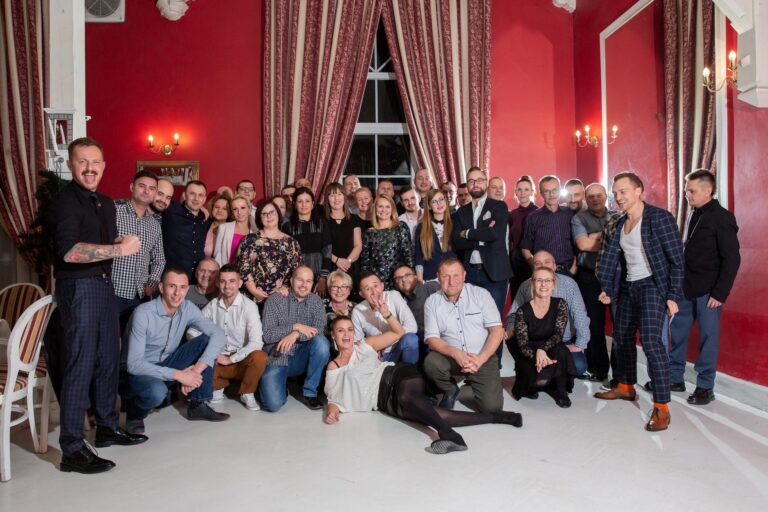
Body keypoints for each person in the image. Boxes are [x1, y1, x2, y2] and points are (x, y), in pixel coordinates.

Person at [50, 137, 146, 474]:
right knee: (80, 363)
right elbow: (70, 252)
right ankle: (72, 449)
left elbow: (99, 243)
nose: (90, 168)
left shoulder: (104, 201)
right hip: (78, 287)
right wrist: (119, 251)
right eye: (82, 162)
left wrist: (115, 243)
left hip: (105, 286)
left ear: (103, 166)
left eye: (95, 162)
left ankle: (106, 426)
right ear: (71, 165)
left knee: (108, 358)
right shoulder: (65, 202)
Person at [324, 316, 522, 454]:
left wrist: (385, 312)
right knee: (430, 414)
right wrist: (332, 411)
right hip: (384, 401)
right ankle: (500, 417)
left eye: (350, 329)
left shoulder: (365, 345)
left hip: (396, 376)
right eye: (340, 330)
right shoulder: (333, 367)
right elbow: (333, 398)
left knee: (407, 398)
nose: (346, 334)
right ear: (333, 335)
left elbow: (398, 331)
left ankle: (449, 435)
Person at [594, 172, 684, 432]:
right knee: (621, 337)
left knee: (652, 343)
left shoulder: (659, 218)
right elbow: (607, 259)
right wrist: (607, 288)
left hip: (653, 286)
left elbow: (677, 260)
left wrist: (672, 295)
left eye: (624, 191)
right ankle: (625, 386)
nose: (619, 197)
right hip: (628, 286)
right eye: (616, 192)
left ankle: (662, 407)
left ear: (639, 191)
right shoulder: (617, 222)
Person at [122, 267, 230, 435]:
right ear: (161, 288)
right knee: (157, 392)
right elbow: (134, 365)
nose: (177, 293)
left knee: (206, 340)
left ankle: (198, 405)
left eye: (182, 287)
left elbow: (218, 335)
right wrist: (179, 375)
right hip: (140, 371)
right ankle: (135, 414)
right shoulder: (143, 313)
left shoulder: (187, 308)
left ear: (187, 289)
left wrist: (195, 371)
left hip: (168, 363)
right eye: (172, 286)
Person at [669, 169, 740, 405]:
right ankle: (675, 378)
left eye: (691, 190)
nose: (687, 195)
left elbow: (732, 259)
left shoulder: (723, 217)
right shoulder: (693, 213)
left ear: (707, 190)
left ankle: (705, 387)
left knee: (708, 339)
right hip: (685, 287)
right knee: (677, 334)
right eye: (687, 190)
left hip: (710, 292)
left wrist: (720, 293)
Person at [423, 258, 505, 412]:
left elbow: (497, 331)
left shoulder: (481, 294)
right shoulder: (432, 302)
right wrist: (456, 353)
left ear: (464, 275)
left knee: (492, 408)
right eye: (446, 276)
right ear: (438, 277)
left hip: (482, 356)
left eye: (456, 275)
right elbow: (432, 340)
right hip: (453, 358)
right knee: (432, 363)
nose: (451, 281)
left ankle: (471, 384)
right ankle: (450, 389)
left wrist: (480, 359)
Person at [506, 250, 589, 377]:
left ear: (555, 266)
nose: (543, 265)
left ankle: (543, 370)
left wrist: (580, 344)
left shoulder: (569, 284)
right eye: (537, 263)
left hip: (560, 342)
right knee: (513, 342)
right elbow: (513, 315)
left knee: (579, 366)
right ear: (533, 268)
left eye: (547, 262)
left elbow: (580, 315)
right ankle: (536, 368)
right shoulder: (525, 285)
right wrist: (511, 331)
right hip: (532, 342)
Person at [259, 266, 330, 411]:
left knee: (322, 343)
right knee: (272, 405)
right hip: (278, 355)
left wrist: (296, 333)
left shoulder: (316, 301)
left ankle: (310, 392)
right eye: (300, 280)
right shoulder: (275, 300)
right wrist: (295, 326)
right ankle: (279, 385)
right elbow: (268, 335)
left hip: (301, 357)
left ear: (313, 284)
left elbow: (319, 330)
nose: (304, 285)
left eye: (308, 281)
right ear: (291, 280)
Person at [202, 264, 268, 411]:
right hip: (218, 358)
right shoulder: (212, 305)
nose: (227, 286)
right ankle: (218, 387)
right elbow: (193, 330)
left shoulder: (249, 306)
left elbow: (256, 342)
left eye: (232, 281)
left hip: (241, 359)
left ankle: (247, 392)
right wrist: (212, 351)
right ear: (218, 283)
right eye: (223, 281)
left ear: (239, 283)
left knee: (259, 357)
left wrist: (231, 359)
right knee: (200, 354)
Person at [572, 183, 618, 381]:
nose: (595, 199)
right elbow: (583, 244)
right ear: (585, 198)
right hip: (589, 277)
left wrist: (595, 238)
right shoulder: (579, 218)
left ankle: (620, 374)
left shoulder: (618, 216)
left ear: (606, 196)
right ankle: (599, 370)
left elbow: (621, 245)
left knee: (621, 326)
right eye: (591, 196)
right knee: (593, 325)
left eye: (599, 195)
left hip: (616, 276)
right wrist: (610, 238)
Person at [451, 167, 511, 321]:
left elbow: (494, 234)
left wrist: (468, 233)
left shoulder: (499, 206)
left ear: (485, 183)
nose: (475, 184)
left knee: (494, 322)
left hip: (494, 273)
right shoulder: (460, 212)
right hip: (469, 273)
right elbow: (457, 241)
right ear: (468, 185)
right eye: (471, 181)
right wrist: (483, 237)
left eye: (479, 180)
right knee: (470, 321)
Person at [510, 268, 575, 407]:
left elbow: (558, 335)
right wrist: (538, 354)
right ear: (533, 284)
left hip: (551, 346)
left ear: (553, 284)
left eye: (547, 280)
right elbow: (522, 346)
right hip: (530, 352)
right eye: (539, 280)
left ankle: (561, 391)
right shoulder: (522, 311)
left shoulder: (560, 304)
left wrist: (542, 349)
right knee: (539, 382)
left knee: (562, 351)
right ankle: (538, 384)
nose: (543, 285)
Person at [112, 170, 165, 331]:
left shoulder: (154, 224)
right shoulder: (114, 213)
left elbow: (159, 259)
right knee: (108, 340)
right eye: (142, 186)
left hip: (139, 295)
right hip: (112, 291)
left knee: (133, 341)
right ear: (132, 187)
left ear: (155, 193)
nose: (146, 191)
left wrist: (152, 283)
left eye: (151, 188)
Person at [236, 199, 301, 303]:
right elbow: (243, 267)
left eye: (271, 212)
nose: (268, 216)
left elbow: (296, 271)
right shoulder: (249, 239)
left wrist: (284, 288)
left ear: (278, 214)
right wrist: (254, 291)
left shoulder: (291, 243)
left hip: (280, 298)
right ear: (259, 218)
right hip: (251, 297)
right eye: (264, 214)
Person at [352, 272, 419, 364]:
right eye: (368, 289)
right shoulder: (358, 311)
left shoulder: (394, 296)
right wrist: (375, 347)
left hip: (398, 348)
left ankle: (409, 373)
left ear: (382, 286)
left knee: (411, 339)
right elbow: (357, 344)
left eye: (376, 286)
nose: (374, 292)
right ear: (362, 294)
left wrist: (385, 343)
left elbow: (412, 327)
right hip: (376, 355)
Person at [521, 175, 576, 276]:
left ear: (560, 190)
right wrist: (534, 266)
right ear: (541, 193)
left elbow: (577, 243)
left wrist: (574, 268)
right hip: (544, 271)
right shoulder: (533, 217)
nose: (551, 194)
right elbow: (525, 247)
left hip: (569, 269)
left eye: (555, 190)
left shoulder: (569, 214)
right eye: (547, 191)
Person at [282, 187, 332, 295]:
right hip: (296, 277)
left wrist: (323, 278)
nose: (303, 205)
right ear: (294, 204)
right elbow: (287, 256)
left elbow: (327, 252)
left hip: (319, 276)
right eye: (300, 201)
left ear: (312, 204)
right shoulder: (287, 227)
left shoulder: (322, 224)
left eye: (307, 201)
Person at [361, 195, 414, 289]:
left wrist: (410, 278)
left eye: (387, 207)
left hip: (399, 281)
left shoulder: (400, 227)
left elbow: (408, 256)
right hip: (376, 284)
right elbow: (365, 263)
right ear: (375, 209)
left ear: (392, 209)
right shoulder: (369, 233)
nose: (383, 210)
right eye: (380, 206)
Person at [162, 180, 211, 281]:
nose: (196, 199)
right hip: (171, 278)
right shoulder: (171, 210)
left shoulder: (206, 221)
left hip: (196, 280)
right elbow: (153, 200)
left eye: (200, 195)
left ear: (204, 199)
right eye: (192, 194)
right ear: (184, 195)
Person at [324, 183, 362, 288]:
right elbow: (321, 246)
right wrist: (337, 261)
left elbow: (358, 245)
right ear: (327, 199)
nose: (336, 198)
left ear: (344, 197)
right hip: (330, 265)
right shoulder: (322, 221)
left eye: (339, 194)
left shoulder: (354, 219)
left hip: (351, 266)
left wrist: (346, 263)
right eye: (332, 195)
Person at [415, 188, 456, 281]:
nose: (439, 204)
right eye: (434, 201)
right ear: (429, 206)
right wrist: (420, 282)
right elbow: (419, 258)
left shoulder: (455, 224)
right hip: (430, 277)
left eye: (441, 199)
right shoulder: (421, 228)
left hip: (453, 276)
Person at [508, 175, 538, 299]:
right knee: (518, 297)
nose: (522, 193)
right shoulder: (512, 214)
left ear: (532, 191)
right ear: (515, 192)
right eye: (519, 189)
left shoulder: (538, 212)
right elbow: (509, 240)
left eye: (526, 189)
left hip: (533, 258)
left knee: (534, 296)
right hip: (516, 261)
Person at [213, 194, 256, 266]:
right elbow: (217, 254)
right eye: (235, 209)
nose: (239, 212)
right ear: (232, 212)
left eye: (243, 208)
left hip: (246, 274)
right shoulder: (224, 228)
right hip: (226, 273)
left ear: (249, 209)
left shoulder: (255, 232)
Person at [323, 269, 357, 335]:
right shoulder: (320, 305)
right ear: (329, 290)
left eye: (343, 287)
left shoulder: (356, 308)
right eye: (335, 286)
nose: (339, 290)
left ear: (349, 290)